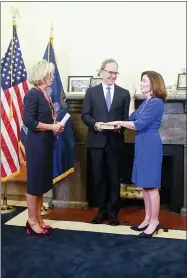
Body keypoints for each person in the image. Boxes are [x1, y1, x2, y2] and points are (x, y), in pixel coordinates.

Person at [105, 70, 167, 237]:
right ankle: (147, 219)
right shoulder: (148, 102)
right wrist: (132, 98)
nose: (141, 83)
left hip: (150, 144)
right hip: (142, 143)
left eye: (144, 81)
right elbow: (133, 117)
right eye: (141, 81)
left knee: (152, 186)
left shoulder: (156, 103)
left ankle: (155, 221)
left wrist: (118, 122)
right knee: (146, 186)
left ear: (154, 83)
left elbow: (138, 124)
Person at [81, 58, 130, 225]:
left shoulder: (124, 93)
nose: (113, 76)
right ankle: (101, 212)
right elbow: (85, 115)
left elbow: (126, 119)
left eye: (116, 73)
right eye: (110, 72)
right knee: (98, 177)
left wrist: (119, 127)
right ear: (101, 72)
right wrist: (96, 124)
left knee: (114, 179)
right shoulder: (91, 92)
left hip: (115, 142)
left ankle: (113, 214)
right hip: (97, 142)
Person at [23, 60, 64, 236]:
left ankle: (38, 218)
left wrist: (54, 129)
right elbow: (29, 121)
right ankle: (31, 221)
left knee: (40, 183)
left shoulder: (45, 95)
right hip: (36, 145)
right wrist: (51, 127)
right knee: (34, 184)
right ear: (41, 75)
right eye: (50, 74)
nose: (53, 77)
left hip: (46, 142)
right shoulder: (33, 94)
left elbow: (45, 121)